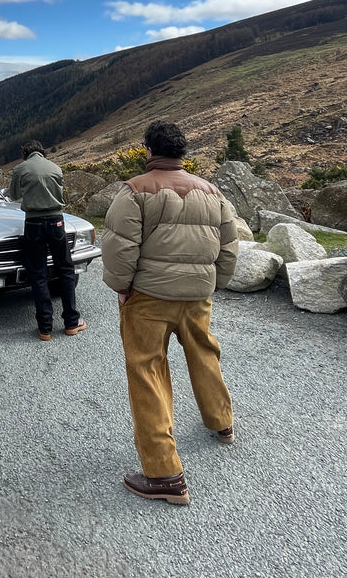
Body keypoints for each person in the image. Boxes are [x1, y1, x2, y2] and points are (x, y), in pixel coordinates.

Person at [102, 120, 239, 506]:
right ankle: (221, 423)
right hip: (197, 297)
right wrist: (215, 284)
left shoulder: (135, 191)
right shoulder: (213, 192)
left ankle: (164, 475)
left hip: (149, 298)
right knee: (204, 354)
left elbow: (119, 249)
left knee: (146, 371)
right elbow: (229, 247)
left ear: (148, 150)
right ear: (182, 152)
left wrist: (122, 288)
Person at [8, 140, 85, 340]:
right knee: (66, 269)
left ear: (25, 153)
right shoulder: (55, 168)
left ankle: (45, 328)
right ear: (42, 153)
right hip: (56, 221)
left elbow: (14, 195)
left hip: (33, 223)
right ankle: (71, 323)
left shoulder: (20, 168)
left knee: (38, 272)